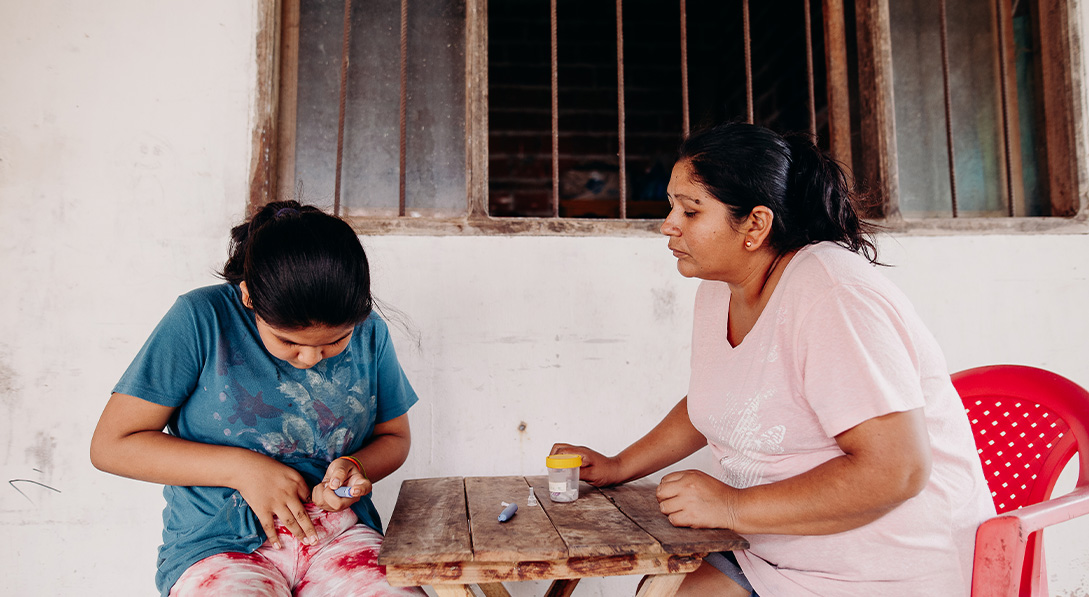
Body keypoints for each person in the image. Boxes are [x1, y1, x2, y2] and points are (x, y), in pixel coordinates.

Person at [551, 123, 995, 597]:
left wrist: (732, 507)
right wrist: (620, 466)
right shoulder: (718, 294)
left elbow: (897, 469)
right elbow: (722, 402)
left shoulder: (834, 294)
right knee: (659, 591)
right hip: (771, 551)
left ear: (756, 225)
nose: (669, 224)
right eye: (671, 205)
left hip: (884, 571)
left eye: (690, 210)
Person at [90, 201, 424, 597]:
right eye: (289, 341)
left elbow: (394, 437)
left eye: (335, 341)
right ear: (249, 297)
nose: (311, 358)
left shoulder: (371, 334)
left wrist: (354, 465)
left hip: (338, 538)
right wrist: (242, 470)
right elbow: (112, 446)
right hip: (219, 547)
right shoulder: (201, 319)